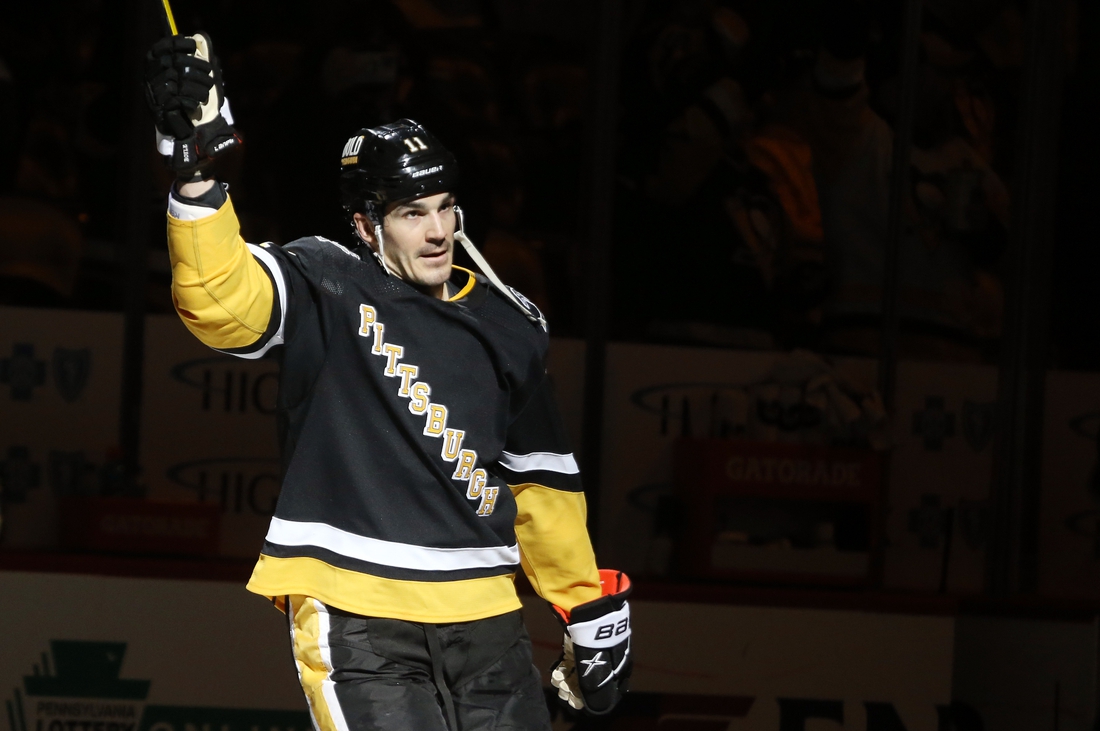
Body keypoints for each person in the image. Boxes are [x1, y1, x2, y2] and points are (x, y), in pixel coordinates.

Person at [144, 33, 632, 730]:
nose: (438, 230)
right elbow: (220, 303)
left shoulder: (510, 321)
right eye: (411, 212)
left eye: (444, 205)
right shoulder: (326, 283)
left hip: (487, 613)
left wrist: (584, 603)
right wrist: (199, 181)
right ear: (366, 225)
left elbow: (541, 482)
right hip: (357, 612)